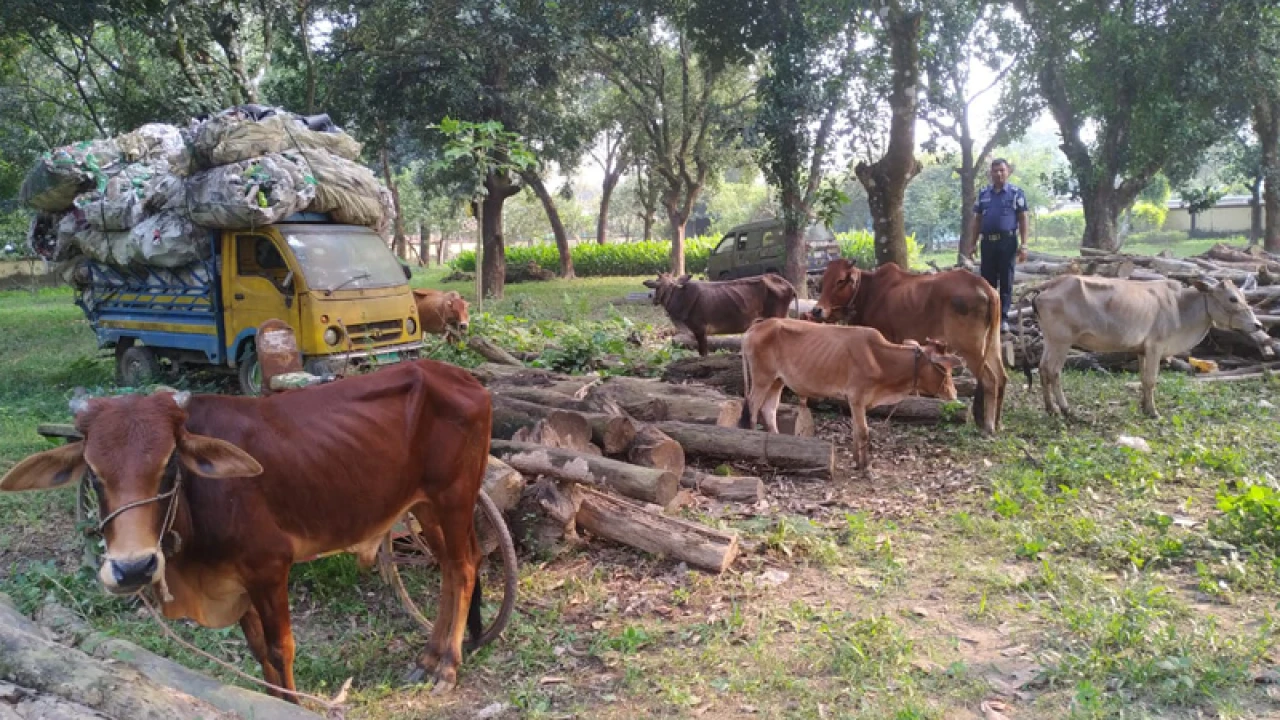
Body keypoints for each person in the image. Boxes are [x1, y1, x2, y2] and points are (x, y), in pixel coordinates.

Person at [963, 158, 1028, 333]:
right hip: (987, 243)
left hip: (1007, 242)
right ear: (990, 173)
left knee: (1006, 280)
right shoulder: (983, 194)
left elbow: (1023, 219)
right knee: (987, 281)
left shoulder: (1016, 193)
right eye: (995, 171)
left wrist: (1024, 245)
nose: (998, 174)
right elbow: (977, 220)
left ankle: (1003, 318)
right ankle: (989, 316)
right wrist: (972, 244)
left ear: (1008, 172)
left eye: (1002, 170)